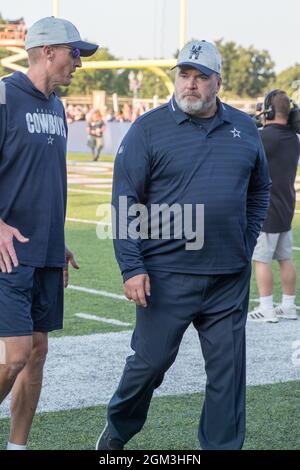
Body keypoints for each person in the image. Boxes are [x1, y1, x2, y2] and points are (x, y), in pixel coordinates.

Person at [96, 40, 271, 451]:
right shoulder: (147, 129)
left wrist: (245, 241)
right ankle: (117, 431)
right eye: (184, 75)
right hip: (165, 277)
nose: (190, 84)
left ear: (217, 83)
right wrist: (131, 267)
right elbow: (125, 202)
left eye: (200, 77)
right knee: (149, 365)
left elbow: (260, 188)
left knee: (228, 376)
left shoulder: (245, 127)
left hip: (228, 278)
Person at [0, 16, 98, 450]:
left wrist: (57, 241)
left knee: (37, 354)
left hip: (44, 250)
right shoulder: (4, 96)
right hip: (8, 252)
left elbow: (45, 179)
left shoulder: (57, 106)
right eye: (74, 53)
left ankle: (18, 447)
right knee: (15, 355)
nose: (78, 63)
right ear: (48, 51)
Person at [248, 90, 300, 323]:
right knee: (285, 258)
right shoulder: (292, 137)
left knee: (261, 259)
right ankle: (288, 305)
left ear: (268, 110)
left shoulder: (265, 137)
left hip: (266, 206)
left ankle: (266, 307)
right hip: (286, 205)